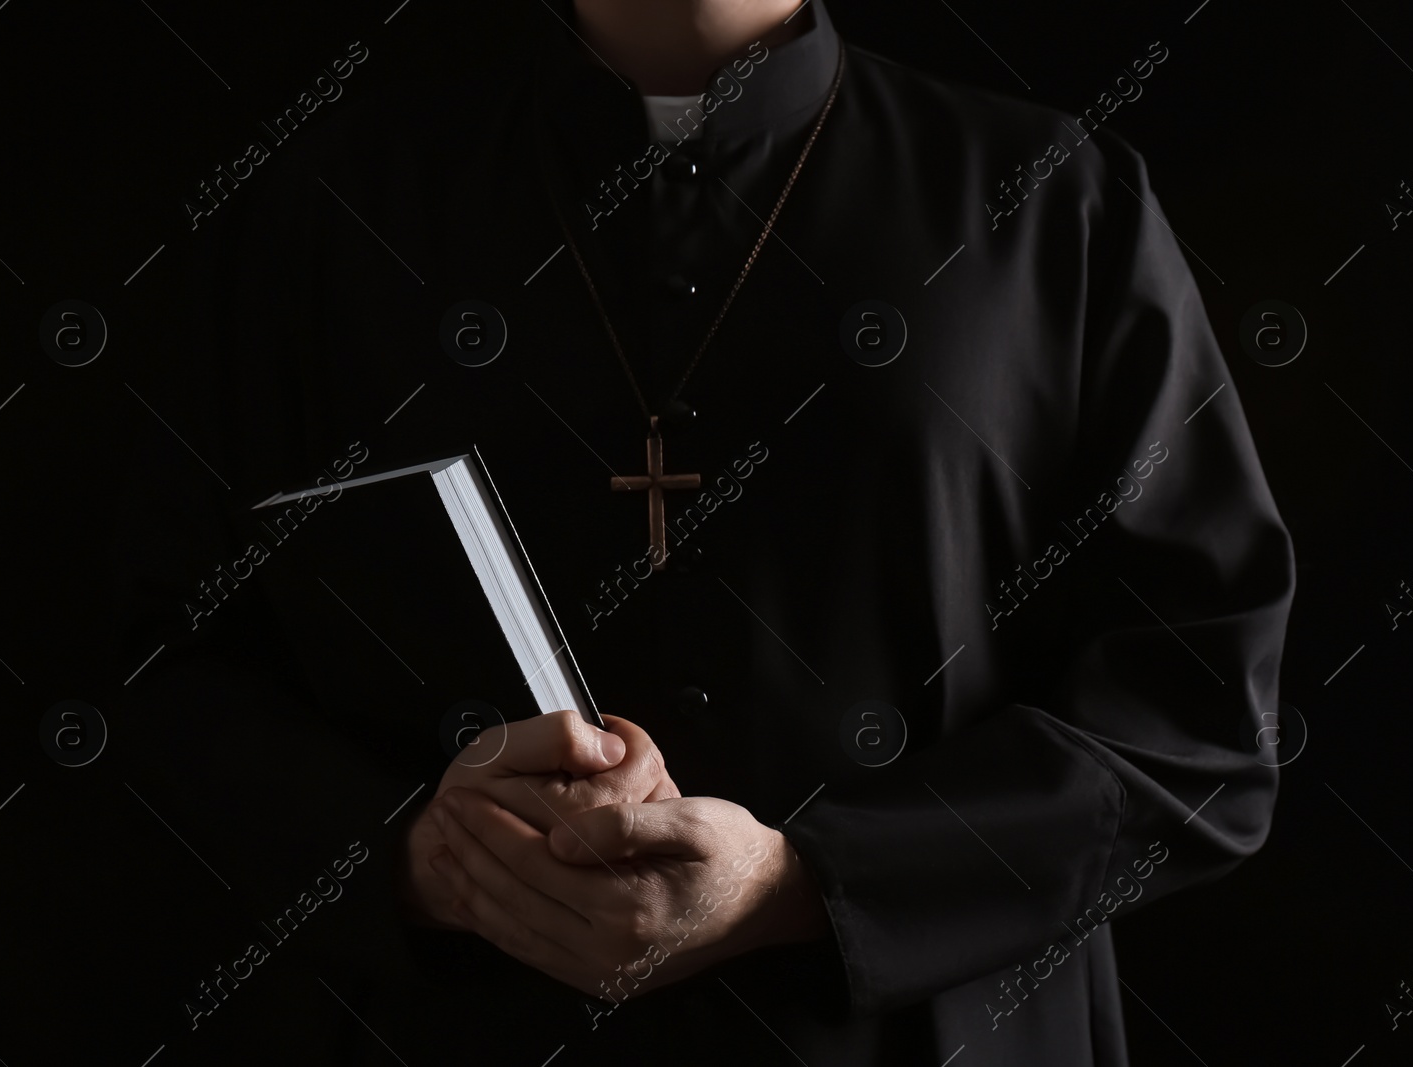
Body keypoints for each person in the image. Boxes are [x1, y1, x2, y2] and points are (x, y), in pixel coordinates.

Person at [112, 1, 1294, 1063]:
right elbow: (156, 660)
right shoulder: (331, 204)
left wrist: (801, 884)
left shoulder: (1051, 201)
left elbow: (1195, 722)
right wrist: (418, 858)